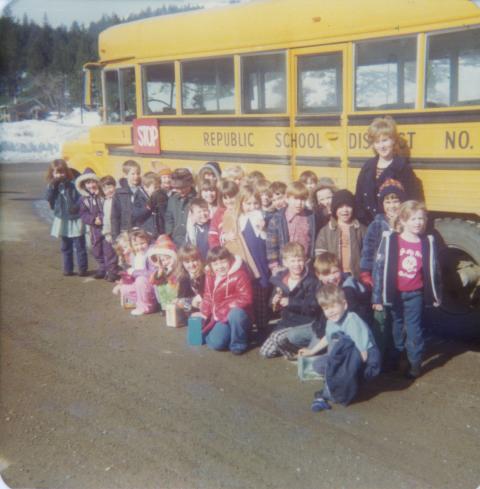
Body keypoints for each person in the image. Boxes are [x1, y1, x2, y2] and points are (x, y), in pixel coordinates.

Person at [372, 200, 441, 378]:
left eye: (421, 218)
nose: (418, 222)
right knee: (396, 328)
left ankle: (414, 364)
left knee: (414, 330)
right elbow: (379, 268)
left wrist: (436, 294)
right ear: (402, 221)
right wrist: (377, 297)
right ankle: (397, 358)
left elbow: (435, 271)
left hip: (415, 295)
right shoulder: (391, 240)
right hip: (395, 294)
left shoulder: (426, 242)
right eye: (413, 219)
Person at [299, 285, 380, 410]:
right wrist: (312, 351)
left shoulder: (351, 319)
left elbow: (361, 341)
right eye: (326, 308)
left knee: (343, 373)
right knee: (318, 365)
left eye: (333, 306)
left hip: (367, 355)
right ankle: (342, 383)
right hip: (349, 354)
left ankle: (331, 392)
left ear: (344, 305)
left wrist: (358, 360)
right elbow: (327, 338)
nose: (330, 311)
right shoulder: (331, 321)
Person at [286, 252, 371, 353]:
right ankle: (323, 350)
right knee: (292, 336)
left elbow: (353, 320)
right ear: (319, 276)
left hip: (338, 330)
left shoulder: (347, 290)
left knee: (314, 357)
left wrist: (316, 347)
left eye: (335, 272)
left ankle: (330, 352)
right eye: (326, 274)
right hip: (320, 327)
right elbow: (310, 308)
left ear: (341, 270)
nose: (332, 277)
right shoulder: (319, 286)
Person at [359, 179, 406, 361]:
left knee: (398, 319)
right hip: (381, 282)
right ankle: (377, 356)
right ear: (382, 204)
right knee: (380, 319)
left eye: (396, 201)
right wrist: (365, 273)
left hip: (401, 281)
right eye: (388, 201)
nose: (392, 205)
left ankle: (396, 355)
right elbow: (368, 251)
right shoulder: (376, 225)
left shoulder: (407, 224)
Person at [259, 242, 320, 359]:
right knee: (266, 352)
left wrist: (290, 302)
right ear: (285, 262)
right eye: (293, 261)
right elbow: (272, 303)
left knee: (277, 338)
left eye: (300, 260)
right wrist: (274, 303)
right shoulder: (281, 279)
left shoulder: (312, 280)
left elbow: (314, 305)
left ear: (305, 260)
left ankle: (299, 352)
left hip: (305, 322)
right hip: (287, 321)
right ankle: (289, 346)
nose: (297, 264)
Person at [355, 116, 417, 226]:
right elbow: (359, 199)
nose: (381, 146)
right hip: (369, 226)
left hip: (393, 225)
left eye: (385, 140)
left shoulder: (402, 168)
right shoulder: (367, 167)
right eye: (377, 142)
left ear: (393, 140)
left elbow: (411, 201)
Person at [193, 246, 253, 355]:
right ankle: (218, 334)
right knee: (216, 344)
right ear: (211, 265)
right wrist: (203, 314)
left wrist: (224, 308)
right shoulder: (210, 275)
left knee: (236, 313)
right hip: (219, 317)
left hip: (236, 317)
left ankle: (239, 344)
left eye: (223, 262)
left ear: (229, 260)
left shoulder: (240, 275)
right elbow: (207, 296)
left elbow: (246, 298)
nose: (220, 267)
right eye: (215, 264)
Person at [45, 158, 87, 276]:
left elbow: (82, 196)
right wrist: (53, 186)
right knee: (65, 245)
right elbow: (48, 198)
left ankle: (82, 269)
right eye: (57, 172)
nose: (60, 175)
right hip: (62, 218)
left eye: (62, 172)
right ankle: (68, 269)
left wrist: (77, 206)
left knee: (79, 244)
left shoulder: (74, 183)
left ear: (66, 171)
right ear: (52, 173)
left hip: (76, 218)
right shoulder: (52, 185)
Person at [237, 185, 271, 330]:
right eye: (248, 203)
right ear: (241, 204)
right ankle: (249, 326)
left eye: (255, 203)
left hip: (261, 263)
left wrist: (265, 226)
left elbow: (268, 238)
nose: (252, 207)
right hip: (245, 265)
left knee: (261, 297)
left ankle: (263, 328)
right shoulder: (239, 219)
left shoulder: (263, 217)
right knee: (248, 297)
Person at [315, 189, 366, 279]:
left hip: (356, 275)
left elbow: (367, 254)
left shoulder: (361, 229)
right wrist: (327, 273)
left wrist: (364, 274)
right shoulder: (326, 231)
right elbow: (320, 256)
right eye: (340, 207)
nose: (345, 210)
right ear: (334, 209)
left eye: (348, 206)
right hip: (333, 276)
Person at [266, 181, 316, 274]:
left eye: (302, 199)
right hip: (285, 266)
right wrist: (274, 267)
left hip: (306, 264)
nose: (299, 203)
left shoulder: (311, 217)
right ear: (287, 199)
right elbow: (271, 245)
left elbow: (313, 240)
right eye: (295, 199)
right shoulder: (277, 219)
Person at [76, 169, 116, 280]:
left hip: (106, 226)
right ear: (84, 185)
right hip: (94, 229)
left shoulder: (103, 195)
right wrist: (92, 220)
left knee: (109, 249)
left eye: (93, 182)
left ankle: (111, 271)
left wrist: (101, 218)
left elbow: (109, 208)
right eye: (88, 183)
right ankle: (102, 268)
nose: (91, 185)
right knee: (96, 249)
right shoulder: (84, 199)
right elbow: (83, 214)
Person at [113, 228, 157, 316]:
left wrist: (135, 272)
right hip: (141, 285)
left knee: (141, 280)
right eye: (136, 245)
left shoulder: (151, 253)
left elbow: (152, 273)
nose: (139, 247)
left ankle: (147, 306)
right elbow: (132, 274)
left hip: (152, 284)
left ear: (147, 241)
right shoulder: (135, 255)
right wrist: (122, 282)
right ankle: (137, 302)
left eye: (142, 243)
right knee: (125, 288)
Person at [111, 160, 152, 240]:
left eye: (138, 173)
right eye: (133, 174)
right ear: (125, 175)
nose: (136, 176)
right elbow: (115, 217)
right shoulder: (119, 193)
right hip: (125, 231)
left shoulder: (144, 190)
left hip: (141, 231)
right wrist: (115, 237)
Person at [165, 168, 197, 247]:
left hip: (192, 241)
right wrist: (169, 233)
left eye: (183, 187)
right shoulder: (172, 199)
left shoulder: (197, 199)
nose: (180, 191)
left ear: (190, 184)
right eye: (177, 188)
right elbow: (169, 218)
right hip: (175, 240)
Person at [175, 244, 206, 322]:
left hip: (207, 305)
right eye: (187, 262)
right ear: (182, 263)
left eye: (194, 260)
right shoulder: (184, 277)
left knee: (197, 327)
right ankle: (191, 318)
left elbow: (206, 294)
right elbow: (182, 296)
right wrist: (189, 303)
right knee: (179, 303)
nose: (191, 265)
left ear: (200, 260)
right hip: (194, 306)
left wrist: (198, 300)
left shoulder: (205, 274)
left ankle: (199, 322)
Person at [148, 235, 178, 312]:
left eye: (168, 259)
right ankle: (164, 307)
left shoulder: (177, 268)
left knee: (170, 286)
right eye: (163, 260)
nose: (166, 262)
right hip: (165, 296)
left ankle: (175, 307)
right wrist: (159, 272)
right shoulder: (162, 269)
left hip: (176, 294)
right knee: (160, 286)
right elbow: (152, 281)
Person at [208, 179, 239, 248]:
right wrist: (224, 237)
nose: (229, 201)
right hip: (226, 253)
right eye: (225, 198)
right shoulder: (218, 214)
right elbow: (212, 238)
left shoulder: (242, 210)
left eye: (231, 197)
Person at [143, 171, 168, 237]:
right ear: (146, 188)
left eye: (159, 187)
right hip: (146, 231)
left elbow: (164, 215)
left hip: (160, 232)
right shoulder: (141, 198)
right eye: (155, 188)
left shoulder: (162, 197)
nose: (157, 190)